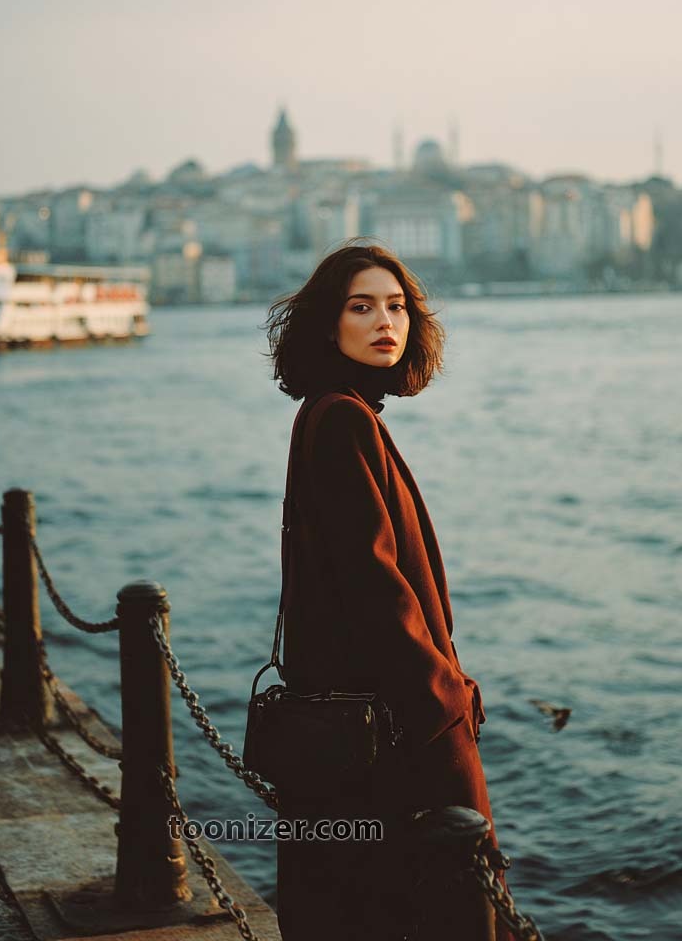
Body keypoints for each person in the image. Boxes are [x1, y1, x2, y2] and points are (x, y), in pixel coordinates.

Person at [265, 241, 511, 941]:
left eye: (397, 306)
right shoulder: (342, 419)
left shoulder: (338, 410)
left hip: (363, 710)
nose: (386, 322)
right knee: (451, 888)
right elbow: (373, 582)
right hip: (396, 716)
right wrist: (445, 693)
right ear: (328, 324)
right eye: (362, 306)